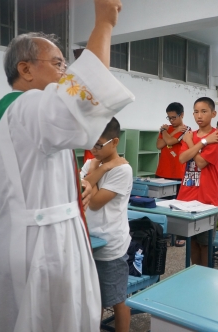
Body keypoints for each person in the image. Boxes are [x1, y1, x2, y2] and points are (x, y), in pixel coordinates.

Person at [0, 1, 135, 331]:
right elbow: (79, 100)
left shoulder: (23, 113)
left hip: (39, 233)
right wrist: (103, 24)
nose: (65, 73)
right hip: (43, 246)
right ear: (26, 70)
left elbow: (39, 169)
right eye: (58, 63)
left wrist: (71, 187)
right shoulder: (27, 106)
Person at [81, 118, 132, 332]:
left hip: (111, 245)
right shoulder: (92, 163)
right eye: (91, 142)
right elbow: (76, 190)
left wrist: (97, 172)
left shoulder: (122, 170)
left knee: (117, 299)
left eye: (99, 144)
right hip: (89, 240)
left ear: (115, 141)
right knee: (94, 298)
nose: (94, 149)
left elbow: (93, 202)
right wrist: (99, 168)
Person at [177, 97, 218, 266]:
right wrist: (201, 142)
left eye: (204, 111)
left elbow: (201, 163)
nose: (199, 115)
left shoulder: (217, 136)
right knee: (193, 242)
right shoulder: (191, 136)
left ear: (213, 113)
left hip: (207, 199)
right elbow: (182, 158)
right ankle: (195, 274)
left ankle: (205, 276)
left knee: (205, 243)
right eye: (196, 112)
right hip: (187, 197)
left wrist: (191, 144)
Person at [155, 102, 190, 247]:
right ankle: (164, 232)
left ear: (182, 115)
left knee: (178, 206)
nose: (171, 121)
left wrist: (165, 131)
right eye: (169, 118)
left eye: (174, 117)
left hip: (178, 173)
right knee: (162, 205)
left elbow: (168, 141)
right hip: (162, 171)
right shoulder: (168, 129)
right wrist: (167, 131)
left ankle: (180, 234)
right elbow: (159, 145)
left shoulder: (186, 129)